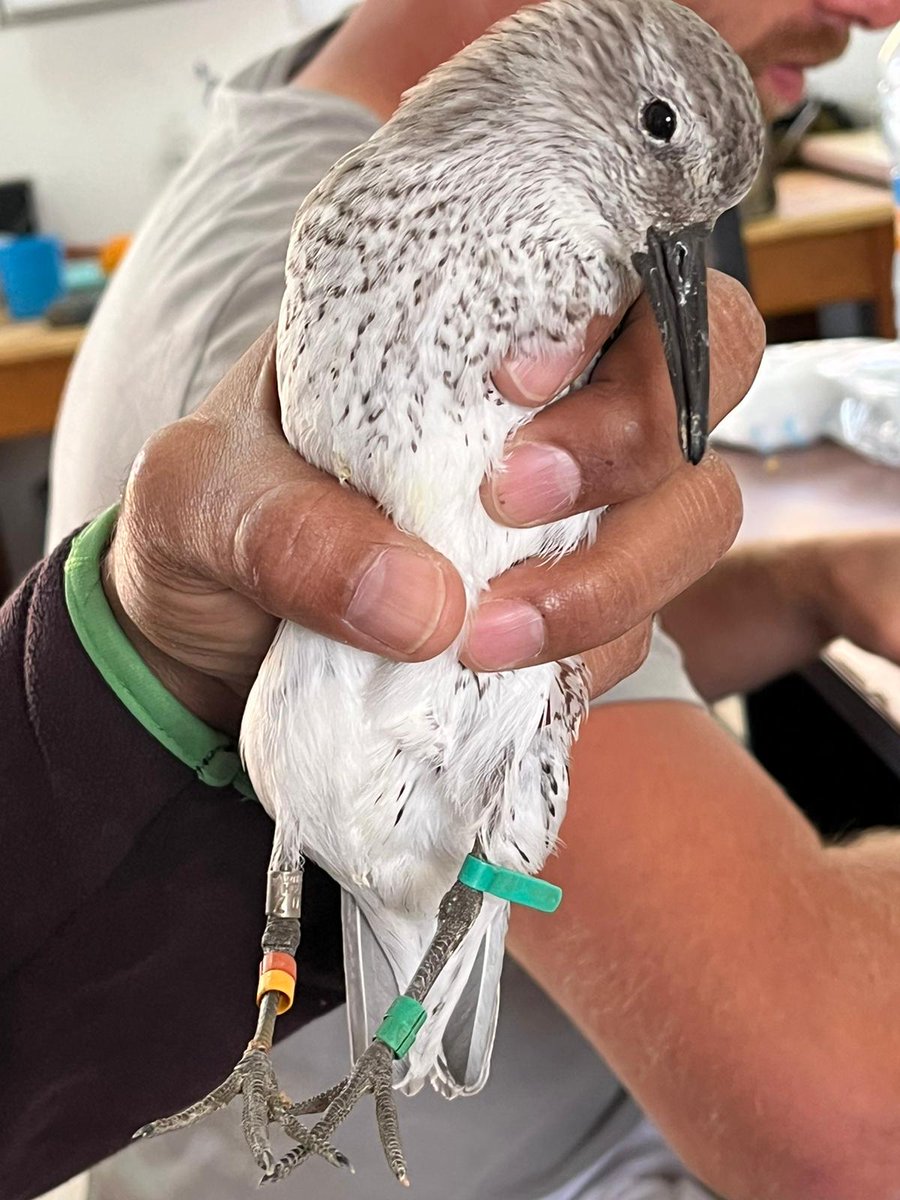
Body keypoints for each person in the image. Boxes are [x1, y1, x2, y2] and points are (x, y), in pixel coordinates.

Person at [36, 1, 900, 1199]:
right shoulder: (304, 247)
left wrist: (806, 586)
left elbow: (491, 636)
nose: (879, 10)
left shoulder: (296, 145)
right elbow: (853, 1130)